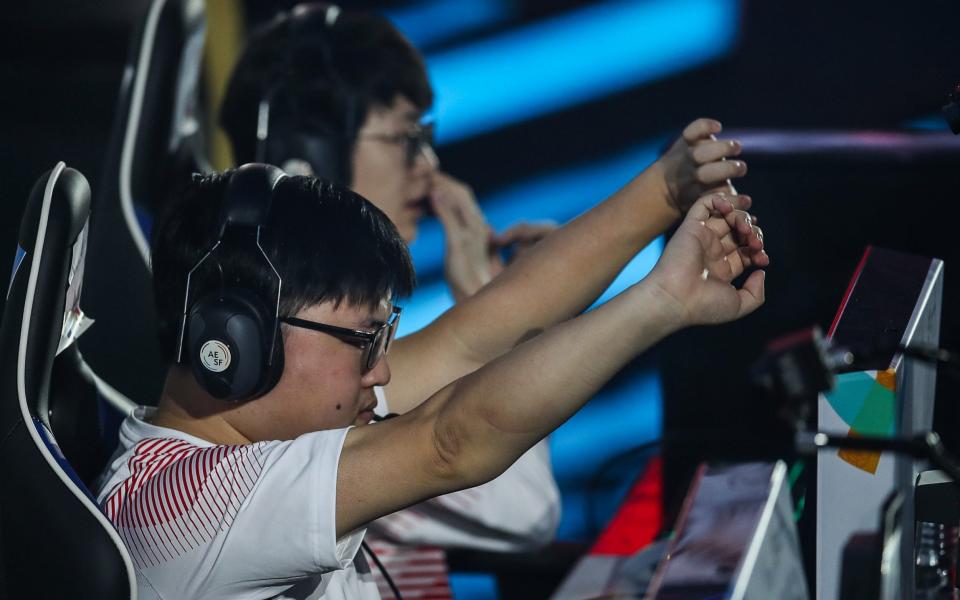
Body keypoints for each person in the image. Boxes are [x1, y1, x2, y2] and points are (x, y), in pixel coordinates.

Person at [218, 6, 757, 577]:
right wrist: (481, 289)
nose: (429, 169)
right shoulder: (295, 375)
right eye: (407, 139)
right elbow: (521, 511)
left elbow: (471, 341)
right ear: (309, 163)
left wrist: (664, 199)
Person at [96, 163, 766, 599]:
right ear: (235, 345)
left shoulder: (276, 413)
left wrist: (663, 192)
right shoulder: (181, 505)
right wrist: (660, 304)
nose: (382, 371)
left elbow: (475, 336)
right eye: (365, 342)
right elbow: (452, 440)